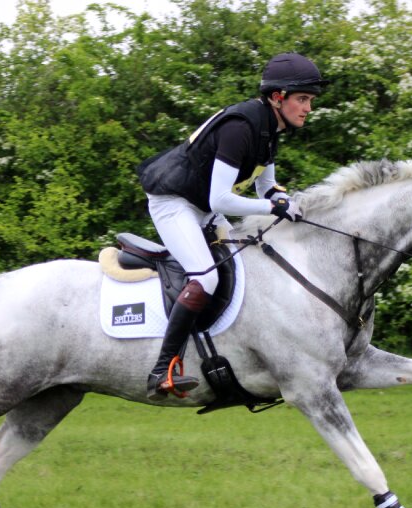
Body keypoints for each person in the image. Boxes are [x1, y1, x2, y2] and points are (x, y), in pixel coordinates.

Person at [137, 52, 327, 400]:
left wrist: (286, 201)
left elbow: (265, 186)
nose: (308, 108)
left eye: (310, 100)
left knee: (250, 258)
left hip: (201, 206)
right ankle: (161, 368)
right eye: (302, 99)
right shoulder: (242, 127)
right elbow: (221, 200)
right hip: (174, 203)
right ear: (277, 97)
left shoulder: (270, 128)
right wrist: (273, 206)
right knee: (206, 276)